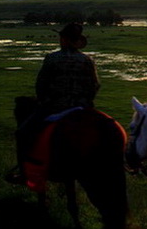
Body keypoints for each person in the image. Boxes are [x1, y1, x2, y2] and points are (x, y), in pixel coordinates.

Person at [6, 23, 100, 184]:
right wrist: (86, 102)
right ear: (77, 41)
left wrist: (44, 101)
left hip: (55, 107)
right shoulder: (87, 60)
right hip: (81, 108)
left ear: (63, 40)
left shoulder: (52, 58)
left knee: (22, 133)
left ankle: (23, 173)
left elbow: (41, 84)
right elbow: (95, 85)